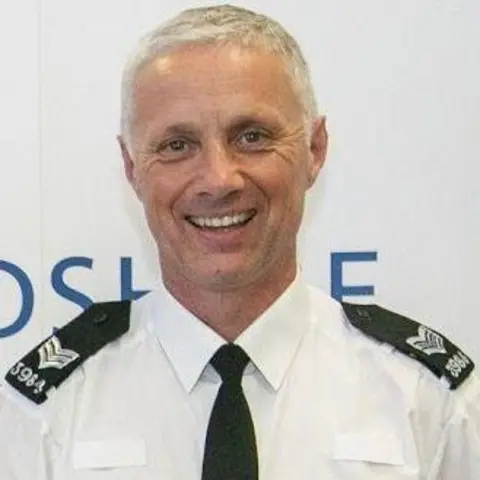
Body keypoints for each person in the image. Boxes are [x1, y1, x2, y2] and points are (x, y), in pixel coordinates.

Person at [0, 4, 478, 479]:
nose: (218, 179)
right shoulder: (47, 411)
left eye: (251, 136)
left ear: (314, 150)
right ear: (131, 167)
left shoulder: (427, 399)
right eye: (176, 145)